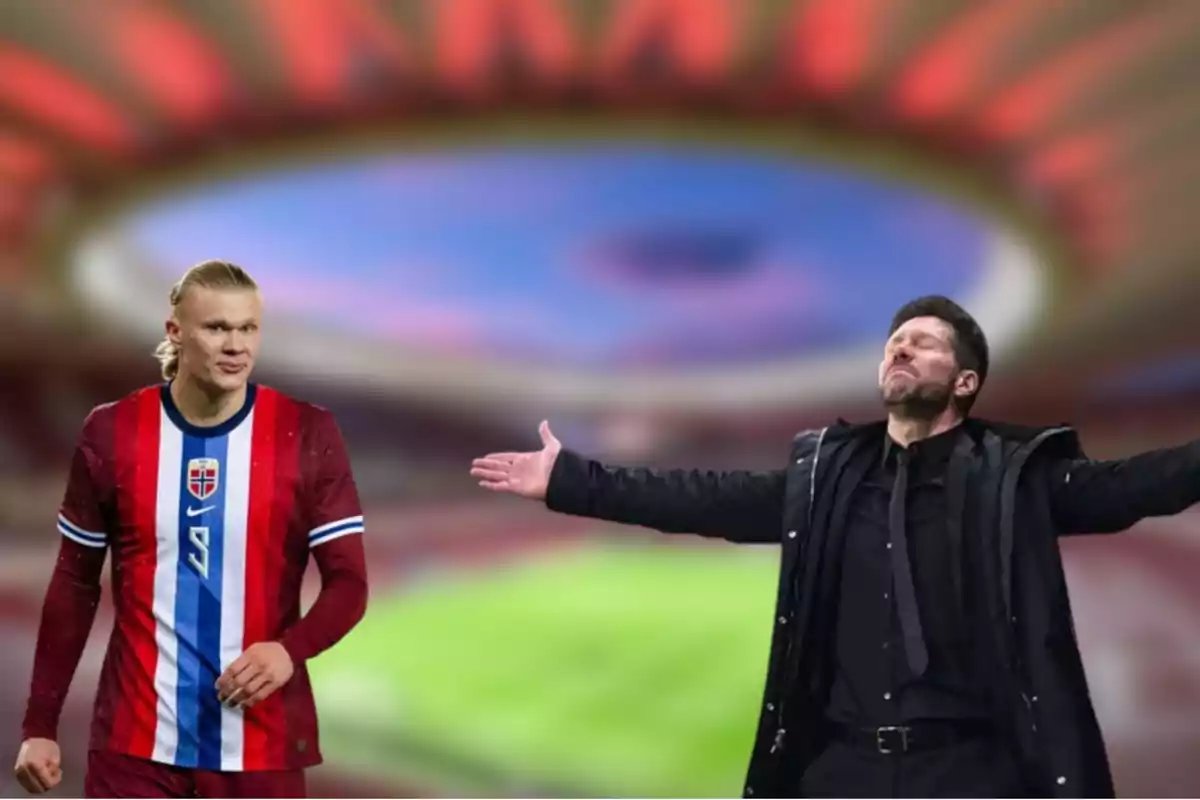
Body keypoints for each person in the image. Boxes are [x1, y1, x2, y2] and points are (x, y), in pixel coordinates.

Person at [470, 294, 1200, 798]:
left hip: (973, 775)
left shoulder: (1014, 482)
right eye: (895, 342)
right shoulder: (826, 480)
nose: (901, 347)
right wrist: (571, 480)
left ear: (965, 381)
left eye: (924, 342)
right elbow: (699, 497)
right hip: (840, 770)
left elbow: (1136, 485)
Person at [13, 260, 369, 798]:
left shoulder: (305, 431)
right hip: (134, 747)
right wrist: (40, 725)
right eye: (217, 328)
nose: (235, 345)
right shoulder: (112, 432)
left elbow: (350, 584)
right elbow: (73, 585)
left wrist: (288, 651)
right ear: (175, 333)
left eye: (247, 328)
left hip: (259, 746)